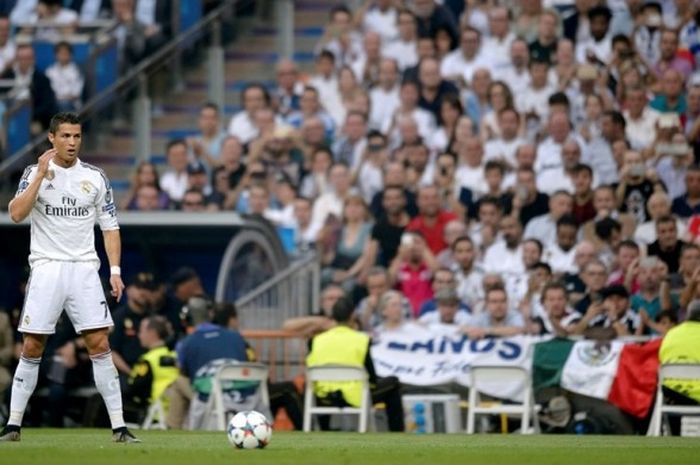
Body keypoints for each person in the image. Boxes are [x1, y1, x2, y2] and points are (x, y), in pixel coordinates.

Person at [1, 112, 138, 442]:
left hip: (84, 270)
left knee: (99, 343)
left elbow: (110, 227)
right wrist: (40, 177)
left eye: (77, 136)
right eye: (65, 136)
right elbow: (16, 214)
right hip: (47, 267)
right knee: (32, 345)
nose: (72, 143)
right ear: (52, 138)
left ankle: (119, 426)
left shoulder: (94, 176)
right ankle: (14, 425)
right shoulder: (34, 173)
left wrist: (115, 271)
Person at [306, 297, 404, 432]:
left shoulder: (315, 340)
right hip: (356, 396)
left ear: (332, 316)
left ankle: (324, 429)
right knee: (393, 383)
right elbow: (372, 377)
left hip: (324, 396)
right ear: (352, 315)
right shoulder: (362, 339)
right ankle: (397, 433)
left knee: (317, 385)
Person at [123, 315, 178, 424]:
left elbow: (135, 388)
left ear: (152, 333)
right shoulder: (174, 356)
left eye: (142, 331)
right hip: (176, 409)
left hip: (156, 412)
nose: (139, 336)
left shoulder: (148, 360)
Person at [658, 300, 700, 434]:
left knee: (668, 389)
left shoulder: (671, 334)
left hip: (673, 394)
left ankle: (674, 437)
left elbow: (662, 360)